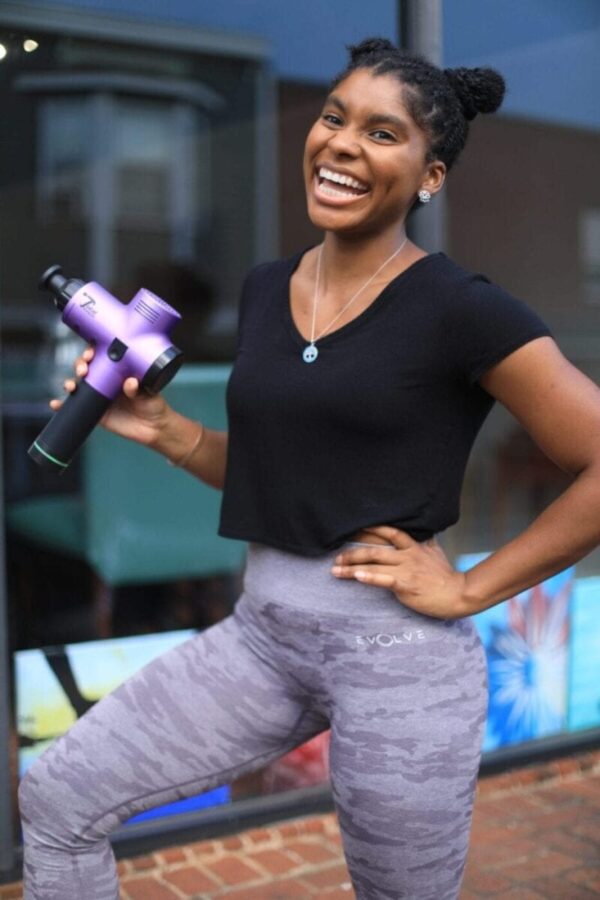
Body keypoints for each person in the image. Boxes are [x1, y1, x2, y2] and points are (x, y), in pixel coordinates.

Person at [18, 37, 600, 900]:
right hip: (264, 636)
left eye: (382, 133)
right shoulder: (266, 287)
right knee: (56, 794)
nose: (341, 144)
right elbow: (278, 472)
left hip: (398, 654)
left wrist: (473, 590)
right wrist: (169, 432)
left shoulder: (460, 309)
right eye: (334, 118)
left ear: (430, 176)